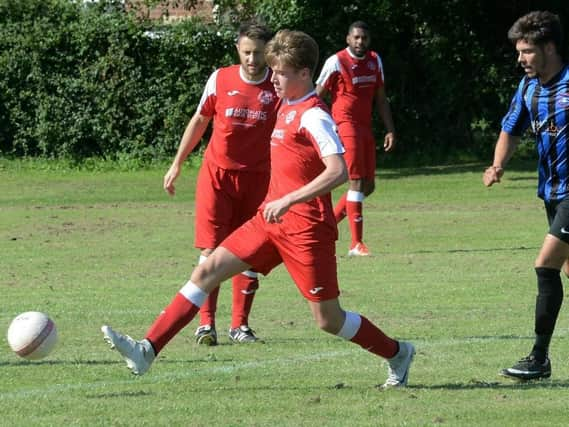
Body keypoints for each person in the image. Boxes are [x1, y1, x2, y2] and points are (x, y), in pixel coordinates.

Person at [101, 29, 415, 388]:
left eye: (281, 72)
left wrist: (290, 198)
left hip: (306, 230)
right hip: (269, 221)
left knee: (328, 319)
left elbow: (338, 170)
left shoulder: (314, 116)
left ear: (303, 73)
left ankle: (397, 352)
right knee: (207, 270)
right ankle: (147, 350)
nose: (274, 79)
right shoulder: (285, 104)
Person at [162, 22, 278, 345]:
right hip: (217, 177)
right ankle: (205, 325)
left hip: (258, 179)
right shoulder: (220, 79)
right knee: (211, 250)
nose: (252, 59)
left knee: (251, 250)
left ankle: (240, 326)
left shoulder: (277, 86)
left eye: (258, 53)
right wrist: (177, 162)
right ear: (237, 50)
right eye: (247, 52)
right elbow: (200, 120)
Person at [483, 10, 569, 380]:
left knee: (545, 265)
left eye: (528, 51)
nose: (520, 59)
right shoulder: (528, 89)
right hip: (551, 193)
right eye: (519, 51)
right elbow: (511, 128)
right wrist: (497, 165)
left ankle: (539, 358)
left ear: (549, 47)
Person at [315, 21, 396, 256]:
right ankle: (356, 244)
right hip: (345, 126)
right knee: (356, 183)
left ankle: (326, 226)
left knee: (368, 186)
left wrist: (390, 129)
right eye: (356, 37)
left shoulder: (374, 60)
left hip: (365, 127)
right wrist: (324, 128)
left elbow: (381, 99)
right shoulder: (336, 61)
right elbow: (316, 96)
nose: (360, 42)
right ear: (348, 39)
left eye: (364, 38)